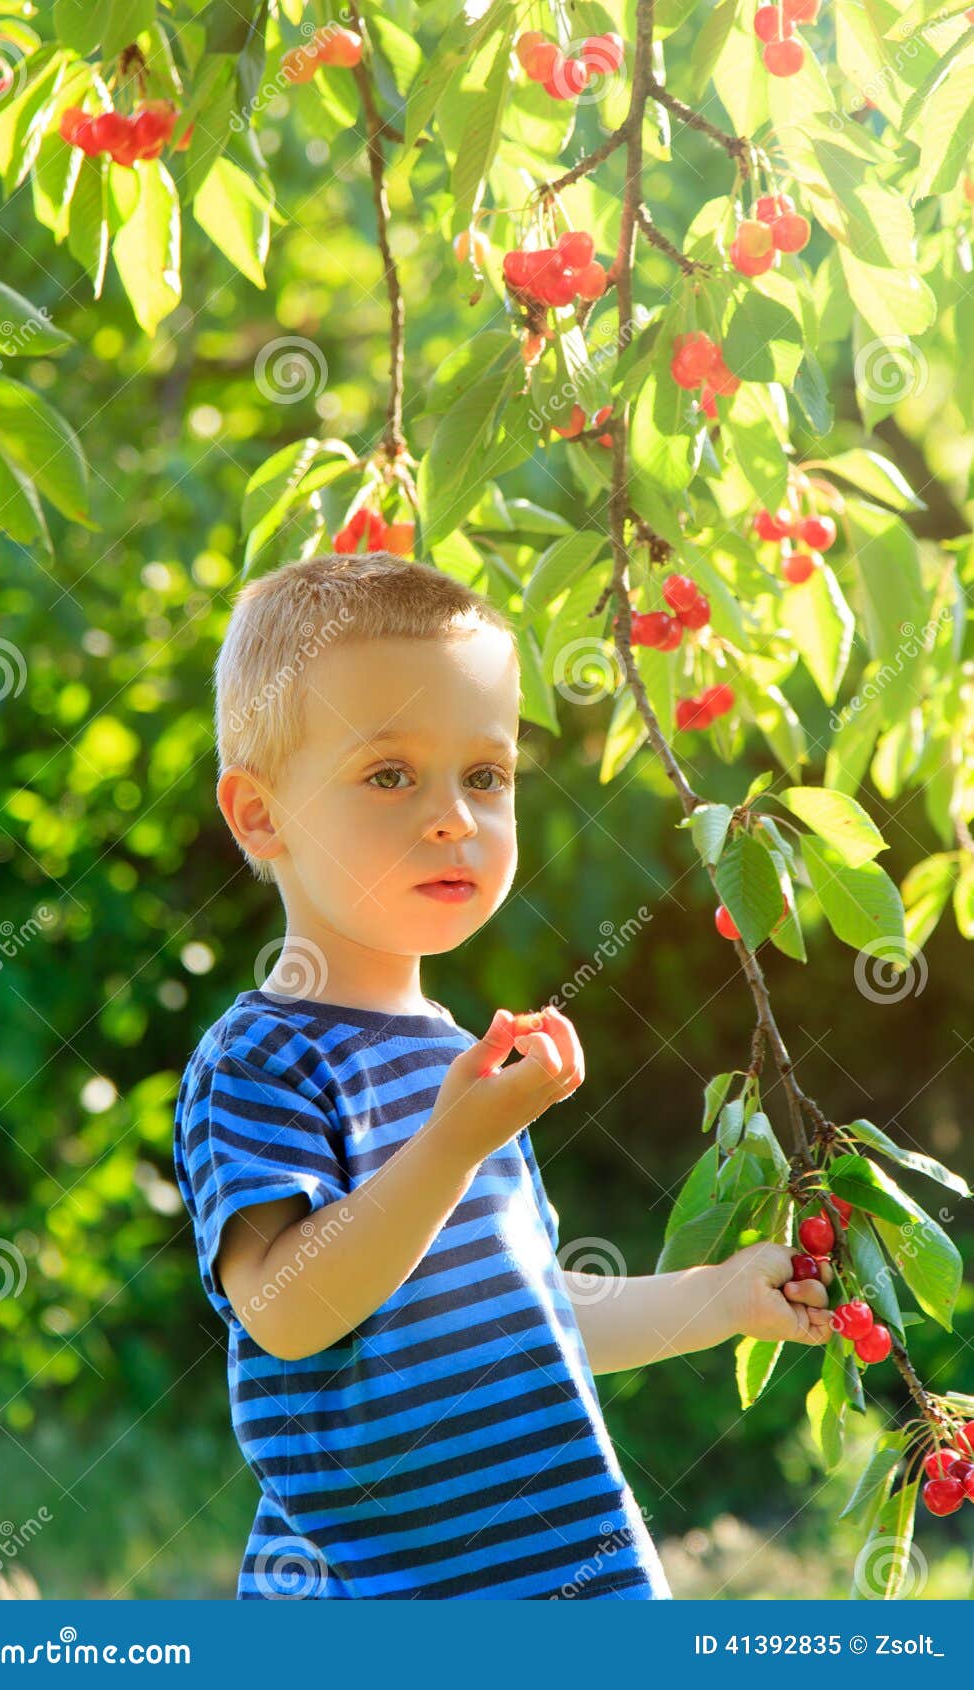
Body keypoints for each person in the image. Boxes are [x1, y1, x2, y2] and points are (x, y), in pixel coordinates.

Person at [172, 551, 832, 1600]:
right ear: (259, 815)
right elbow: (287, 1310)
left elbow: (518, 1312)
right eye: (388, 774)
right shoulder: (261, 1058)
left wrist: (710, 1298)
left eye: (484, 776)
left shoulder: (448, 1054)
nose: (451, 817)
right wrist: (450, 1143)